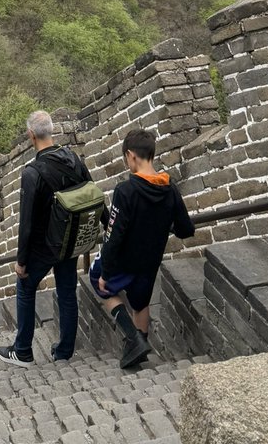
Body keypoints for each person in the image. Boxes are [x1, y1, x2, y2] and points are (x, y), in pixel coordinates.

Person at [0, 110, 96, 367]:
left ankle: (23, 351)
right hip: (70, 239)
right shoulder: (73, 159)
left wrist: (21, 260)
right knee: (66, 291)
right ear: (51, 131)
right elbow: (91, 192)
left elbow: (26, 222)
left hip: (44, 245)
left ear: (31, 135)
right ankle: (64, 351)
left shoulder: (32, 172)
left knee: (26, 289)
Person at [92, 127, 195, 368]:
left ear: (131, 155)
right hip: (149, 263)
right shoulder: (170, 188)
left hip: (124, 262)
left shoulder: (125, 191)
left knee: (96, 279)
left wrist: (106, 273)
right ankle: (139, 353)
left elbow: (114, 236)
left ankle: (133, 338)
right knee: (140, 304)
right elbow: (186, 229)